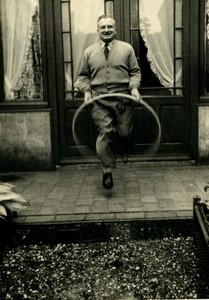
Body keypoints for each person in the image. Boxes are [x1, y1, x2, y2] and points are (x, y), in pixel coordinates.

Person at [76, 14, 141, 189]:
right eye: (103, 27)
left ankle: (117, 153)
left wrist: (134, 88)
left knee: (124, 132)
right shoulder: (89, 52)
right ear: (97, 30)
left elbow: (135, 72)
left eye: (109, 27)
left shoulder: (127, 49)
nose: (106, 30)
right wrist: (87, 92)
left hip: (123, 99)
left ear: (115, 29)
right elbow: (82, 77)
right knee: (105, 132)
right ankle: (107, 170)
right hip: (99, 100)